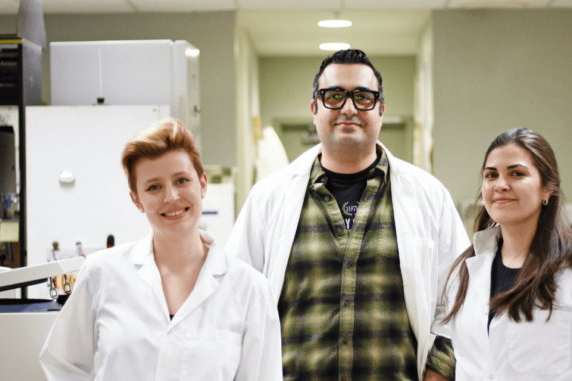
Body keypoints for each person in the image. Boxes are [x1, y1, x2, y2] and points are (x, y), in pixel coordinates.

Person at [226, 49, 469, 381]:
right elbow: (234, 299)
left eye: (363, 97)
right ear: (314, 109)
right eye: (334, 96)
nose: (349, 108)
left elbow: (460, 300)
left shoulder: (429, 196)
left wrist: (439, 373)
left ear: (381, 110)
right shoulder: (268, 197)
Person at [39, 118, 283, 381]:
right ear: (137, 199)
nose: (171, 197)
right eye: (154, 187)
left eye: (181, 180)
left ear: (202, 184)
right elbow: (62, 363)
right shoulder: (101, 274)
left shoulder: (251, 290)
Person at [440, 128, 572, 381]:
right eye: (491, 175)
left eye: (517, 173)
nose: (500, 185)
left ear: (547, 189)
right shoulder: (465, 273)